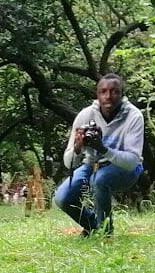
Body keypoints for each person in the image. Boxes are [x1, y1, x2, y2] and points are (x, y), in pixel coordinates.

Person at [55, 73, 145, 237]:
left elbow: (132, 161)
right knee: (62, 198)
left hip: (125, 169)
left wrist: (103, 148)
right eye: (103, 92)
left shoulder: (134, 116)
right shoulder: (85, 115)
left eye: (114, 91)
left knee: (100, 179)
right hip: (92, 165)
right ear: (97, 94)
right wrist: (78, 146)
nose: (108, 96)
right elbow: (68, 162)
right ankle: (94, 226)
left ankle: (106, 232)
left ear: (121, 93)